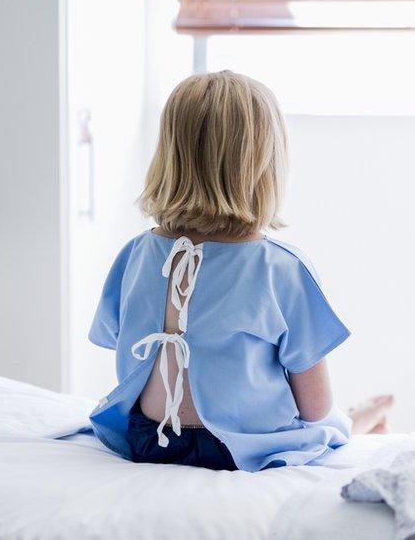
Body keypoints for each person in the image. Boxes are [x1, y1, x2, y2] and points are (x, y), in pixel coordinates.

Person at [88, 70, 393, 472]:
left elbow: (116, 340)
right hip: (238, 449)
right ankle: (361, 417)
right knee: (331, 426)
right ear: (265, 167)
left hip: (151, 440)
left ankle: (361, 415)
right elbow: (315, 407)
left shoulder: (136, 254)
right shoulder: (280, 268)